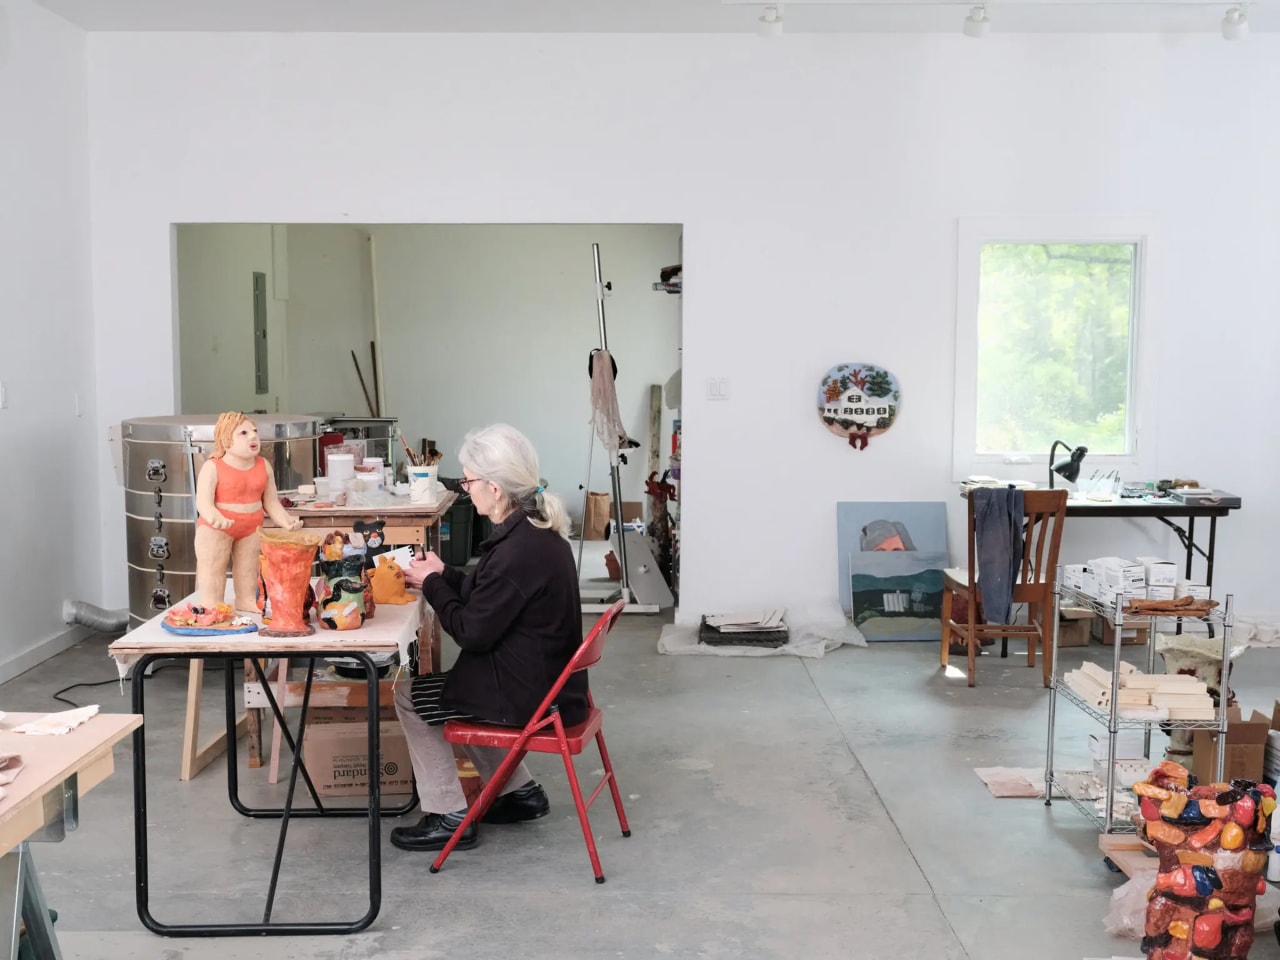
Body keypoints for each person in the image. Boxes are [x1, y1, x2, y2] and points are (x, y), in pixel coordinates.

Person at [392, 423, 584, 853]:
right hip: (549, 685)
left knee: (410, 698)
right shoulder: (534, 531)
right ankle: (519, 793)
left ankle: (447, 814)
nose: (466, 490)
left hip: (528, 697)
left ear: (494, 489)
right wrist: (443, 574)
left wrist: (432, 586)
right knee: (458, 692)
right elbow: (492, 598)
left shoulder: (516, 551)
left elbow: (471, 631)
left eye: (468, 481)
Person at [193, 412, 303, 612]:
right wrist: (214, 517)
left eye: (254, 432)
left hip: (251, 527)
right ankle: (211, 605)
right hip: (216, 528)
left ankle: (245, 599)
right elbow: (203, 502)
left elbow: (271, 502)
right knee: (213, 568)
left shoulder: (263, 466)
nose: (253, 436)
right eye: (243, 433)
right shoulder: (213, 467)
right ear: (226, 439)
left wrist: (286, 521)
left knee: (249, 568)